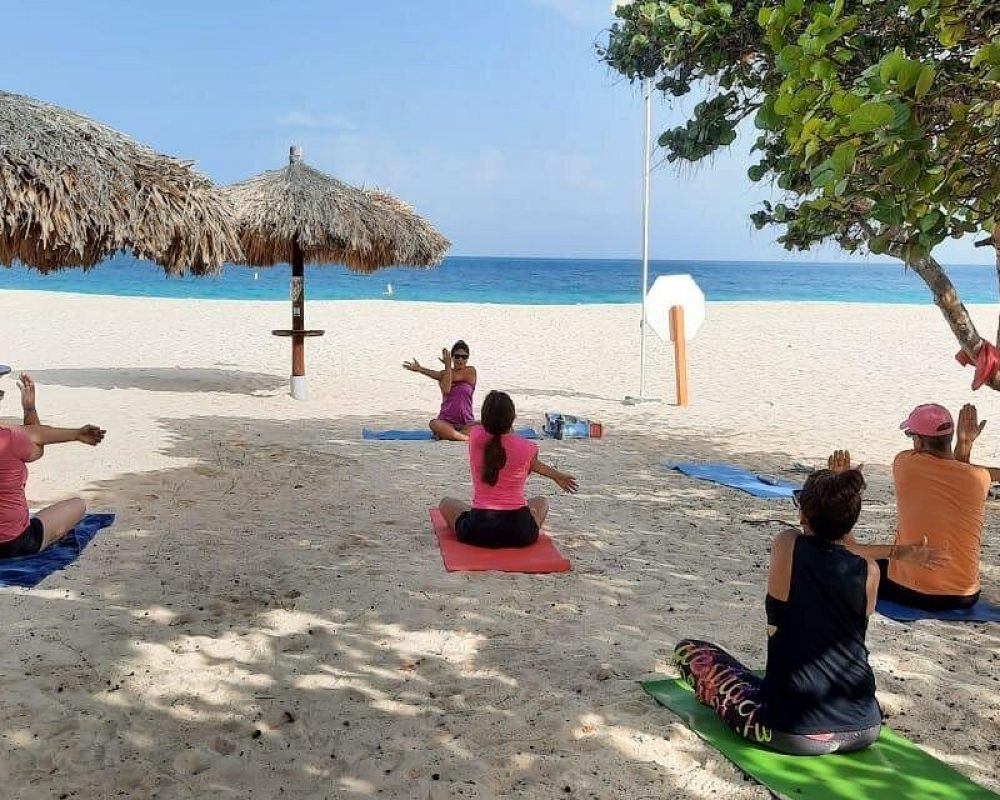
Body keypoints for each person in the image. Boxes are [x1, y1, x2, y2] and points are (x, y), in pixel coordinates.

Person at [673, 458, 940, 756]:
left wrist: (833, 494)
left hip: (791, 731)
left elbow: (832, 545)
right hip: (865, 726)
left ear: (803, 516)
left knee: (690, 651)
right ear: (851, 521)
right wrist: (894, 550)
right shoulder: (870, 572)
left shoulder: (787, 544)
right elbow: (843, 549)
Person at [882, 403, 996, 610]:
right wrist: (965, 444)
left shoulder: (904, 463)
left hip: (912, 592)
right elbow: (961, 471)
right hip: (965, 595)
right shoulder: (978, 479)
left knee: (864, 565)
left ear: (918, 441)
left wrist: (964, 446)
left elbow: (953, 470)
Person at [438, 390, 577, 548]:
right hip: (519, 532)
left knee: (446, 503)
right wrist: (557, 476)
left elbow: (474, 426)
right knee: (542, 502)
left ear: (484, 418)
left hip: (479, 530)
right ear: (513, 418)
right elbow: (535, 466)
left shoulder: (475, 437)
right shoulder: (528, 447)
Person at [0, 373, 106, 558]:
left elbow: (34, 434)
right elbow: (36, 442)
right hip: (13, 544)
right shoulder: (9, 438)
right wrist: (30, 409)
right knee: (77, 504)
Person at [403, 340, 477, 442]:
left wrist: (445, 368)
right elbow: (446, 389)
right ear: (452, 357)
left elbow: (446, 376)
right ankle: (460, 436)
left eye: (464, 357)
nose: (460, 359)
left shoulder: (470, 371)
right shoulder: (445, 374)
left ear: (467, 359)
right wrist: (420, 369)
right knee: (434, 423)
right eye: (457, 356)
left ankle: (450, 435)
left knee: (485, 424)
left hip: (466, 422)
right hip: (446, 422)